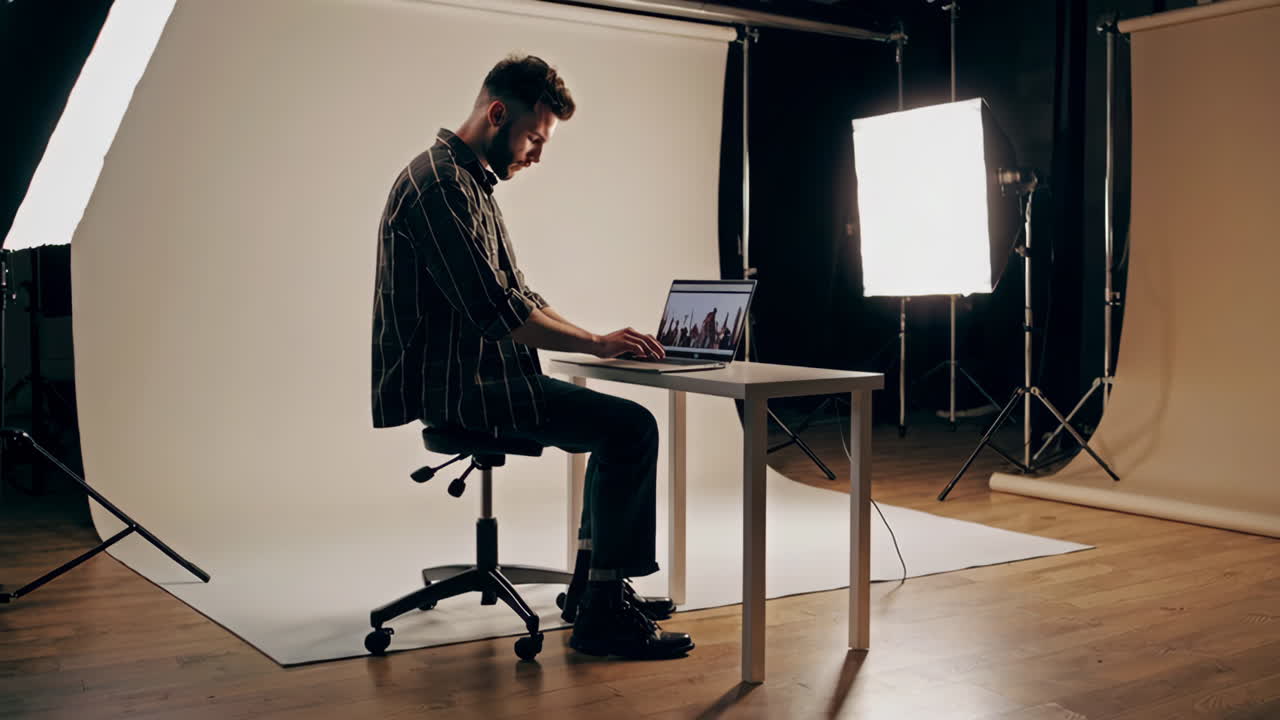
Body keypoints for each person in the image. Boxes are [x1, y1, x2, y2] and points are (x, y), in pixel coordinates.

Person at [371, 55, 693, 660]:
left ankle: (592, 591)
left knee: (612, 425)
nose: (537, 155)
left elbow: (518, 295)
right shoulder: (441, 186)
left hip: (480, 378)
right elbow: (498, 312)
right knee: (631, 426)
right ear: (498, 114)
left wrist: (599, 337)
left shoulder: (463, 180)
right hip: (466, 390)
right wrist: (596, 344)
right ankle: (601, 613)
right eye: (533, 138)